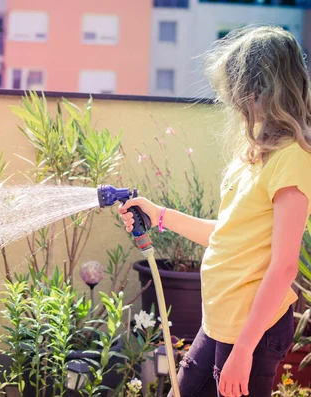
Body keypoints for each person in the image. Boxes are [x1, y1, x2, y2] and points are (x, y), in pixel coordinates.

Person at [119, 26, 311, 397]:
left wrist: (243, 352)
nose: (237, 105)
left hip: (251, 331)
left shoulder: (293, 158)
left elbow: (284, 265)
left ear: (264, 91)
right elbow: (225, 235)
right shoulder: (256, 154)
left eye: (242, 94)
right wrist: (158, 214)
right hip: (222, 320)